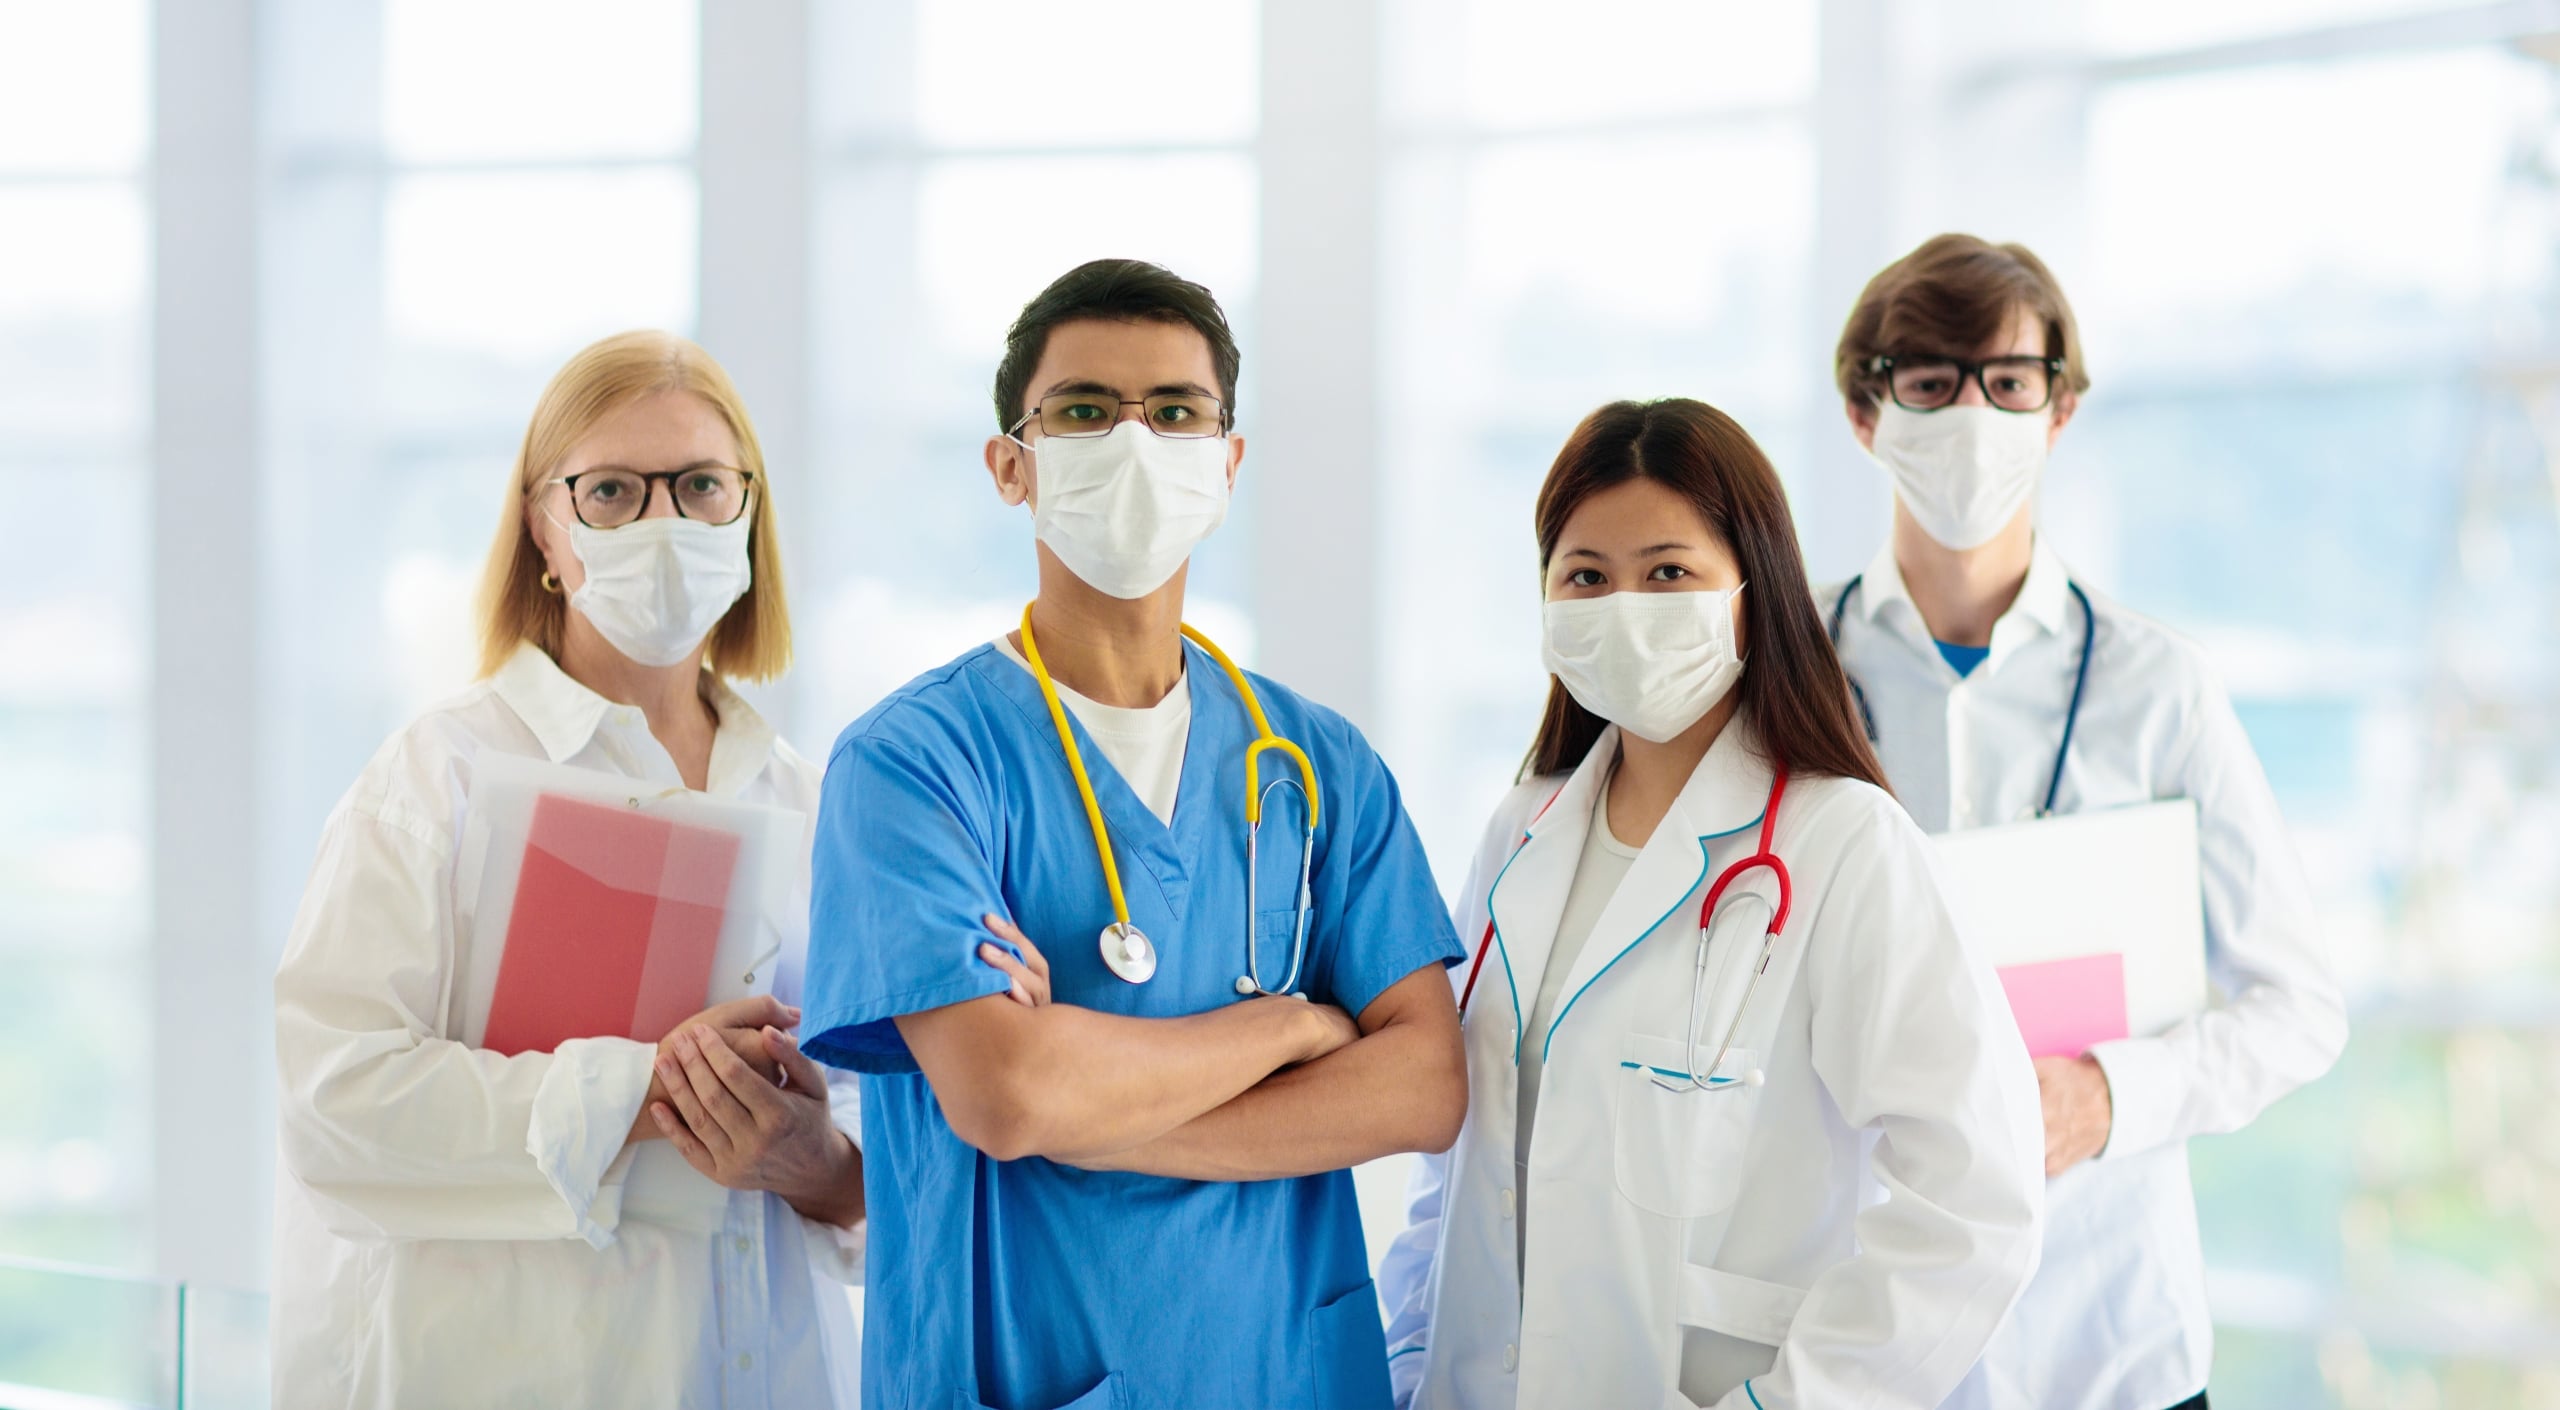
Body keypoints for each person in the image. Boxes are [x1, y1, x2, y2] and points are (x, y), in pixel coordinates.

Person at [798, 258, 1467, 1410]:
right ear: (1013, 466)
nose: (1133, 441)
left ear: (1228, 461)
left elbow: (1422, 1087)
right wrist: (1291, 1025)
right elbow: (1008, 1097)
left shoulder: (1315, 765)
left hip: (1287, 1374)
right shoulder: (912, 765)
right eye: (1083, 412)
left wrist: (1103, 1115)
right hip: (1024, 1375)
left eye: (1174, 412)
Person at [1379, 398, 2044, 1409]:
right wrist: (1404, 1364)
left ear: (1751, 589)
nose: (1623, 606)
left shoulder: (1842, 844)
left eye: (1667, 573)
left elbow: (1976, 1202)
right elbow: (1461, 1168)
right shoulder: (1520, 830)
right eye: (1586, 577)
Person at [271, 330, 864, 1409]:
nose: (662, 526)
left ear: (749, 517)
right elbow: (336, 1108)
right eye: (610, 494)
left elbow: (890, 1127)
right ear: (545, 530)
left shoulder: (815, 805)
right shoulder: (437, 776)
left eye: (698, 487)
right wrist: (640, 1091)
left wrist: (820, 1161)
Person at [1820, 234, 2348, 1410]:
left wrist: (2109, 1097)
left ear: (2058, 412)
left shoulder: (2156, 686)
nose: (1972, 412)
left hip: (2107, 1343)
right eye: (1929, 380)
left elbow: (2299, 1009)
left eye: (2008, 381)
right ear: (1867, 412)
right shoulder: (1786, 676)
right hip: (1855, 1343)